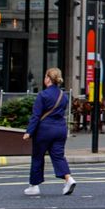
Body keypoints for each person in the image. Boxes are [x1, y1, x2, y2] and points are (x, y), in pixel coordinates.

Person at [22, 67, 76, 196]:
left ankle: (34, 186)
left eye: (46, 77)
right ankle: (69, 179)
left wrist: (29, 132)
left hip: (45, 130)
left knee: (37, 157)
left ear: (48, 79)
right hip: (61, 129)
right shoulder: (64, 96)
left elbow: (36, 116)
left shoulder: (43, 95)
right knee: (58, 156)